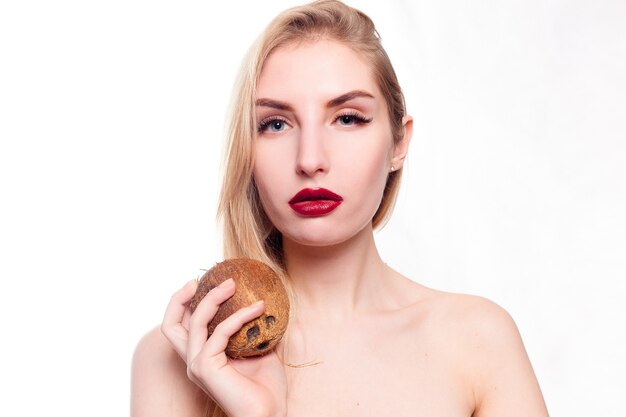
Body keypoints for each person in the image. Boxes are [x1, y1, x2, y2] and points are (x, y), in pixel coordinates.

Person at [131, 1, 549, 416]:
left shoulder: (477, 341)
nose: (310, 159)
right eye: (275, 124)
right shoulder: (175, 359)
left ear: (398, 144)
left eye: (347, 118)